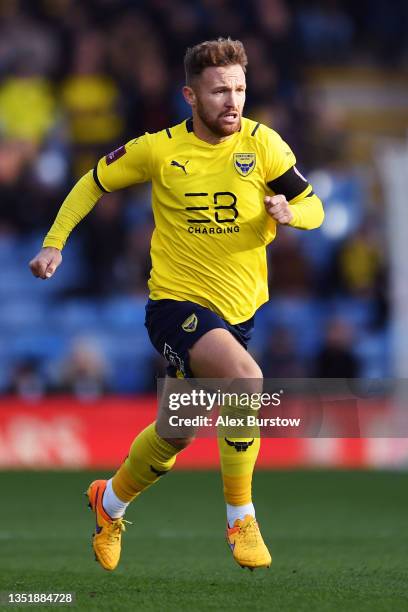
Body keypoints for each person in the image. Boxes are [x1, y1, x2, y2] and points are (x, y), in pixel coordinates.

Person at [29, 38, 324, 571]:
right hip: (175, 305)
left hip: (240, 315)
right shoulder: (159, 150)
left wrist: (291, 213)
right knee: (245, 382)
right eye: (218, 91)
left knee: (176, 429)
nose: (232, 101)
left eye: (238, 89)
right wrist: (55, 242)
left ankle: (109, 502)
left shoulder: (264, 147)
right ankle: (241, 517)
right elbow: (91, 184)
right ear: (190, 95)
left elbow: (315, 206)